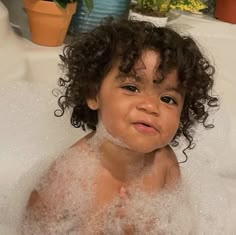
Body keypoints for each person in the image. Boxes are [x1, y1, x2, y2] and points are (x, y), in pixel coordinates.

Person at [22, 18, 218, 234]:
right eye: (132, 87)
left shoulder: (165, 162)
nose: (151, 106)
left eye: (168, 99)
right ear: (93, 94)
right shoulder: (67, 178)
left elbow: (180, 226)